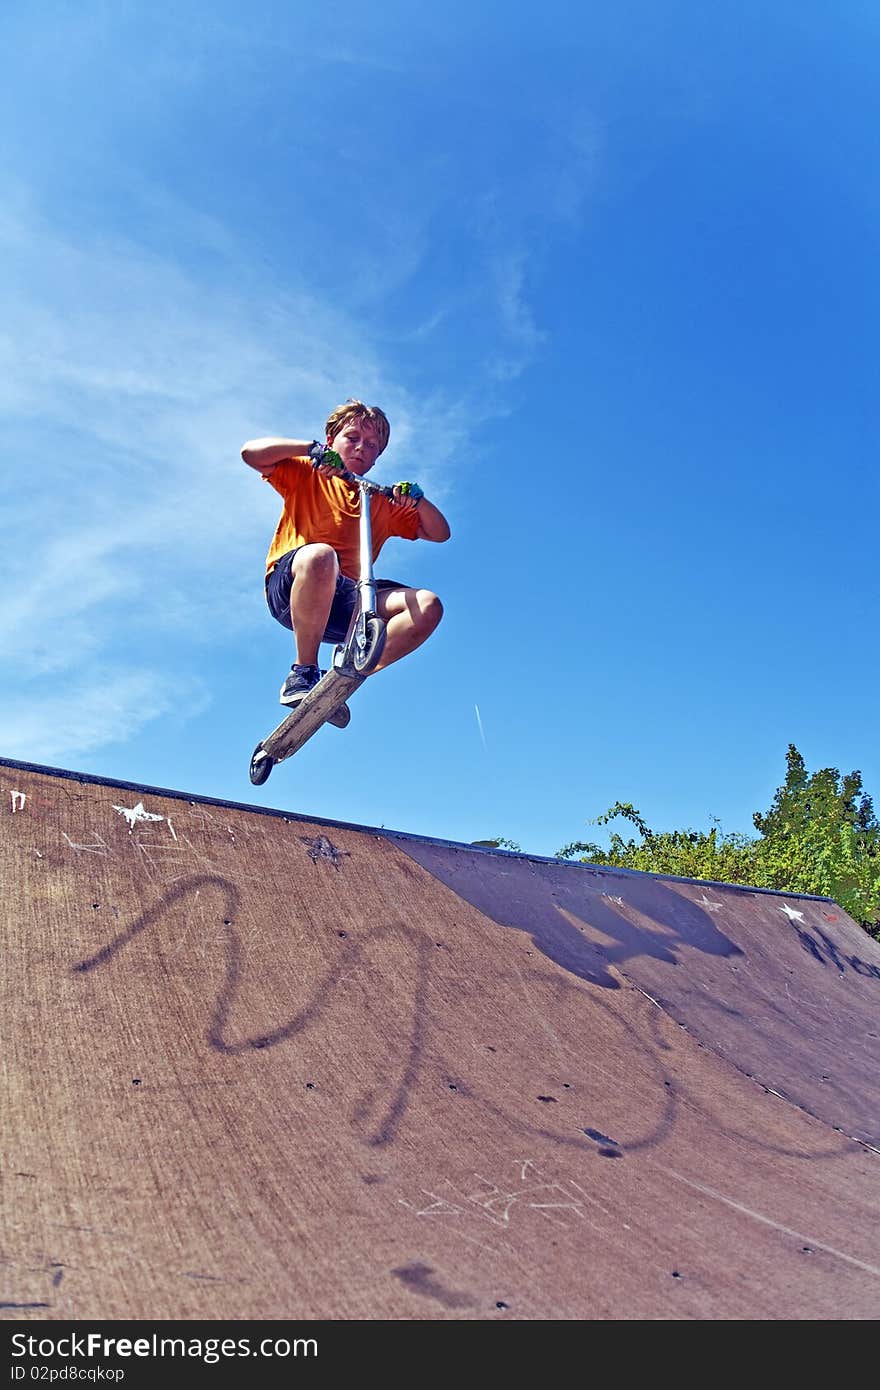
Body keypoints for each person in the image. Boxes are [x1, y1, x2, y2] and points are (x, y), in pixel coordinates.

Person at [241, 399, 451, 725]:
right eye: (351, 438)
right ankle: (303, 671)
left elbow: (439, 532)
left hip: (349, 604)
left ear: (377, 456)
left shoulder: (378, 498)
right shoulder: (308, 473)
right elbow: (250, 453)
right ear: (331, 440)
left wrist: (417, 499)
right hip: (296, 585)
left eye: (371, 445)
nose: (360, 448)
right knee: (322, 555)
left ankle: (346, 675)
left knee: (427, 605)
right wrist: (310, 450)